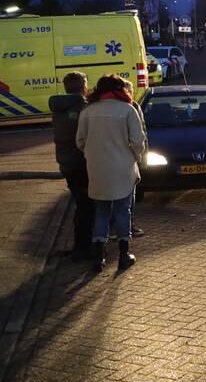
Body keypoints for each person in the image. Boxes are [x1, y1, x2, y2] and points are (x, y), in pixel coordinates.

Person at [76, 74, 146, 272]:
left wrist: (93, 154)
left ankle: (98, 258)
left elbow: (80, 141)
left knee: (101, 211)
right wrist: (134, 156)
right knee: (124, 210)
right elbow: (138, 141)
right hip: (123, 168)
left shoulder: (87, 111)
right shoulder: (127, 110)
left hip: (98, 169)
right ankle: (124, 255)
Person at [48, 71, 93, 261]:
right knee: (87, 206)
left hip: (65, 162)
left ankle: (80, 245)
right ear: (83, 86)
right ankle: (84, 248)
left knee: (81, 204)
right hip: (80, 162)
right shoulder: (83, 107)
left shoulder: (59, 106)